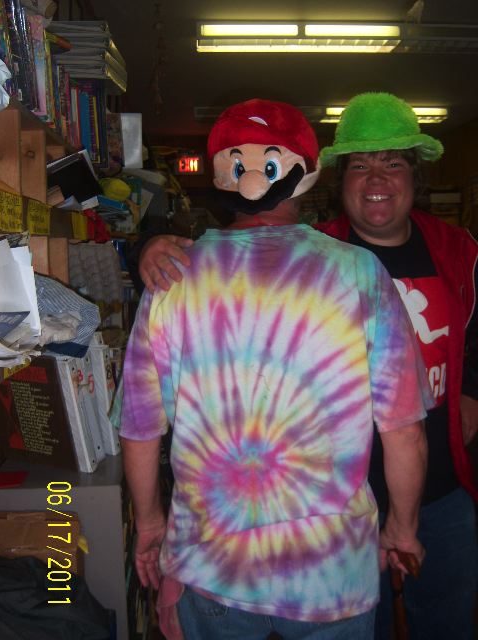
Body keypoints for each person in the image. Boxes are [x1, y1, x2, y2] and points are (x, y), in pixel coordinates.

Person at [136, 92, 478, 640]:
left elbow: (140, 426)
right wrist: (402, 527)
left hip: (221, 562)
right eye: (361, 166)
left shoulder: (459, 251)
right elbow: (404, 430)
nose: (377, 178)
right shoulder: (354, 266)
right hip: (333, 561)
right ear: (319, 177)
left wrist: (151, 525)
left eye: (393, 164)